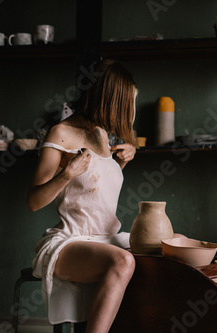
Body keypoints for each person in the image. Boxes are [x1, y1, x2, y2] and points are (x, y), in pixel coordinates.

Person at [27, 59, 138, 333]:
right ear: (109, 98)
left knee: (165, 253)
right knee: (123, 261)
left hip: (105, 238)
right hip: (69, 241)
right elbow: (33, 201)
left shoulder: (101, 135)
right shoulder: (61, 133)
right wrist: (66, 174)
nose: (129, 111)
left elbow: (95, 191)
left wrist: (120, 163)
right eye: (127, 103)